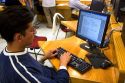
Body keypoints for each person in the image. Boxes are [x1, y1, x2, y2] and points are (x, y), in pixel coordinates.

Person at [0, 6, 71, 83]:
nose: (35, 32)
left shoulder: (8, 52)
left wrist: (43, 58)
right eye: (32, 30)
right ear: (19, 37)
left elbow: (30, 66)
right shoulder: (22, 73)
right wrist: (63, 65)